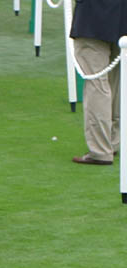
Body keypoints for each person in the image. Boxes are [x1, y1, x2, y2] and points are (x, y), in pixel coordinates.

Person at [69, 0, 127, 165]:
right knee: (117, 82)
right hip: (120, 14)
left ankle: (101, 150)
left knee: (97, 84)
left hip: (93, 17)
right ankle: (113, 142)